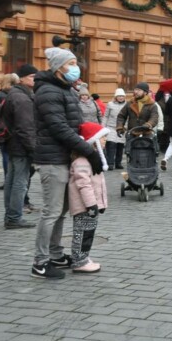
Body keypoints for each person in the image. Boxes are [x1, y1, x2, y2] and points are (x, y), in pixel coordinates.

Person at [32, 47, 103, 280]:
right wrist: (87, 151)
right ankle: (40, 263)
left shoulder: (65, 89)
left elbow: (74, 124)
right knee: (51, 212)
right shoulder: (49, 91)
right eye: (71, 63)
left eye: (75, 62)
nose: (76, 67)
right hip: (52, 159)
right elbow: (59, 127)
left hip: (64, 157)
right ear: (59, 67)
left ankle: (55, 255)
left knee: (61, 211)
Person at [67, 121, 109, 274]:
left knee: (88, 233)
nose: (105, 140)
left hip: (90, 207)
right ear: (93, 140)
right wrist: (92, 205)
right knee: (82, 234)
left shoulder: (92, 160)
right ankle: (79, 261)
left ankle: (83, 257)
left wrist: (100, 204)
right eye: (103, 138)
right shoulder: (82, 161)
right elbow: (84, 185)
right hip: (84, 207)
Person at [2, 64, 38, 229]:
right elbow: (26, 127)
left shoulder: (16, 93)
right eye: (32, 76)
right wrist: (33, 149)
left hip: (13, 144)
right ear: (22, 78)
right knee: (19, 182)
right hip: (21, 146)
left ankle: (10, 216)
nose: (35, 79)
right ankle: (14, 217)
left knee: (11, 180)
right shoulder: (22, 97)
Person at [0, 73, 18, 186]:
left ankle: (8, 180)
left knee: (6, 154)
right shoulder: (18, 93)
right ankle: (12, 179)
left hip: (3, 129)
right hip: (16, 128)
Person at [103, 88, 127, 170]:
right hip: (111, 127)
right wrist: (103, 127)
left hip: (121, 128)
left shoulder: (126, 105)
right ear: (116, 97)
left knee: (120, 146)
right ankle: (110, 163)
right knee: (111, 145)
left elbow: (128, 117)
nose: (121, 97)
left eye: (122, 96)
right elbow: (106, 116)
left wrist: (126, 127)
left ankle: (118, 163)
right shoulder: (110, 104)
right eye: (119, 96)